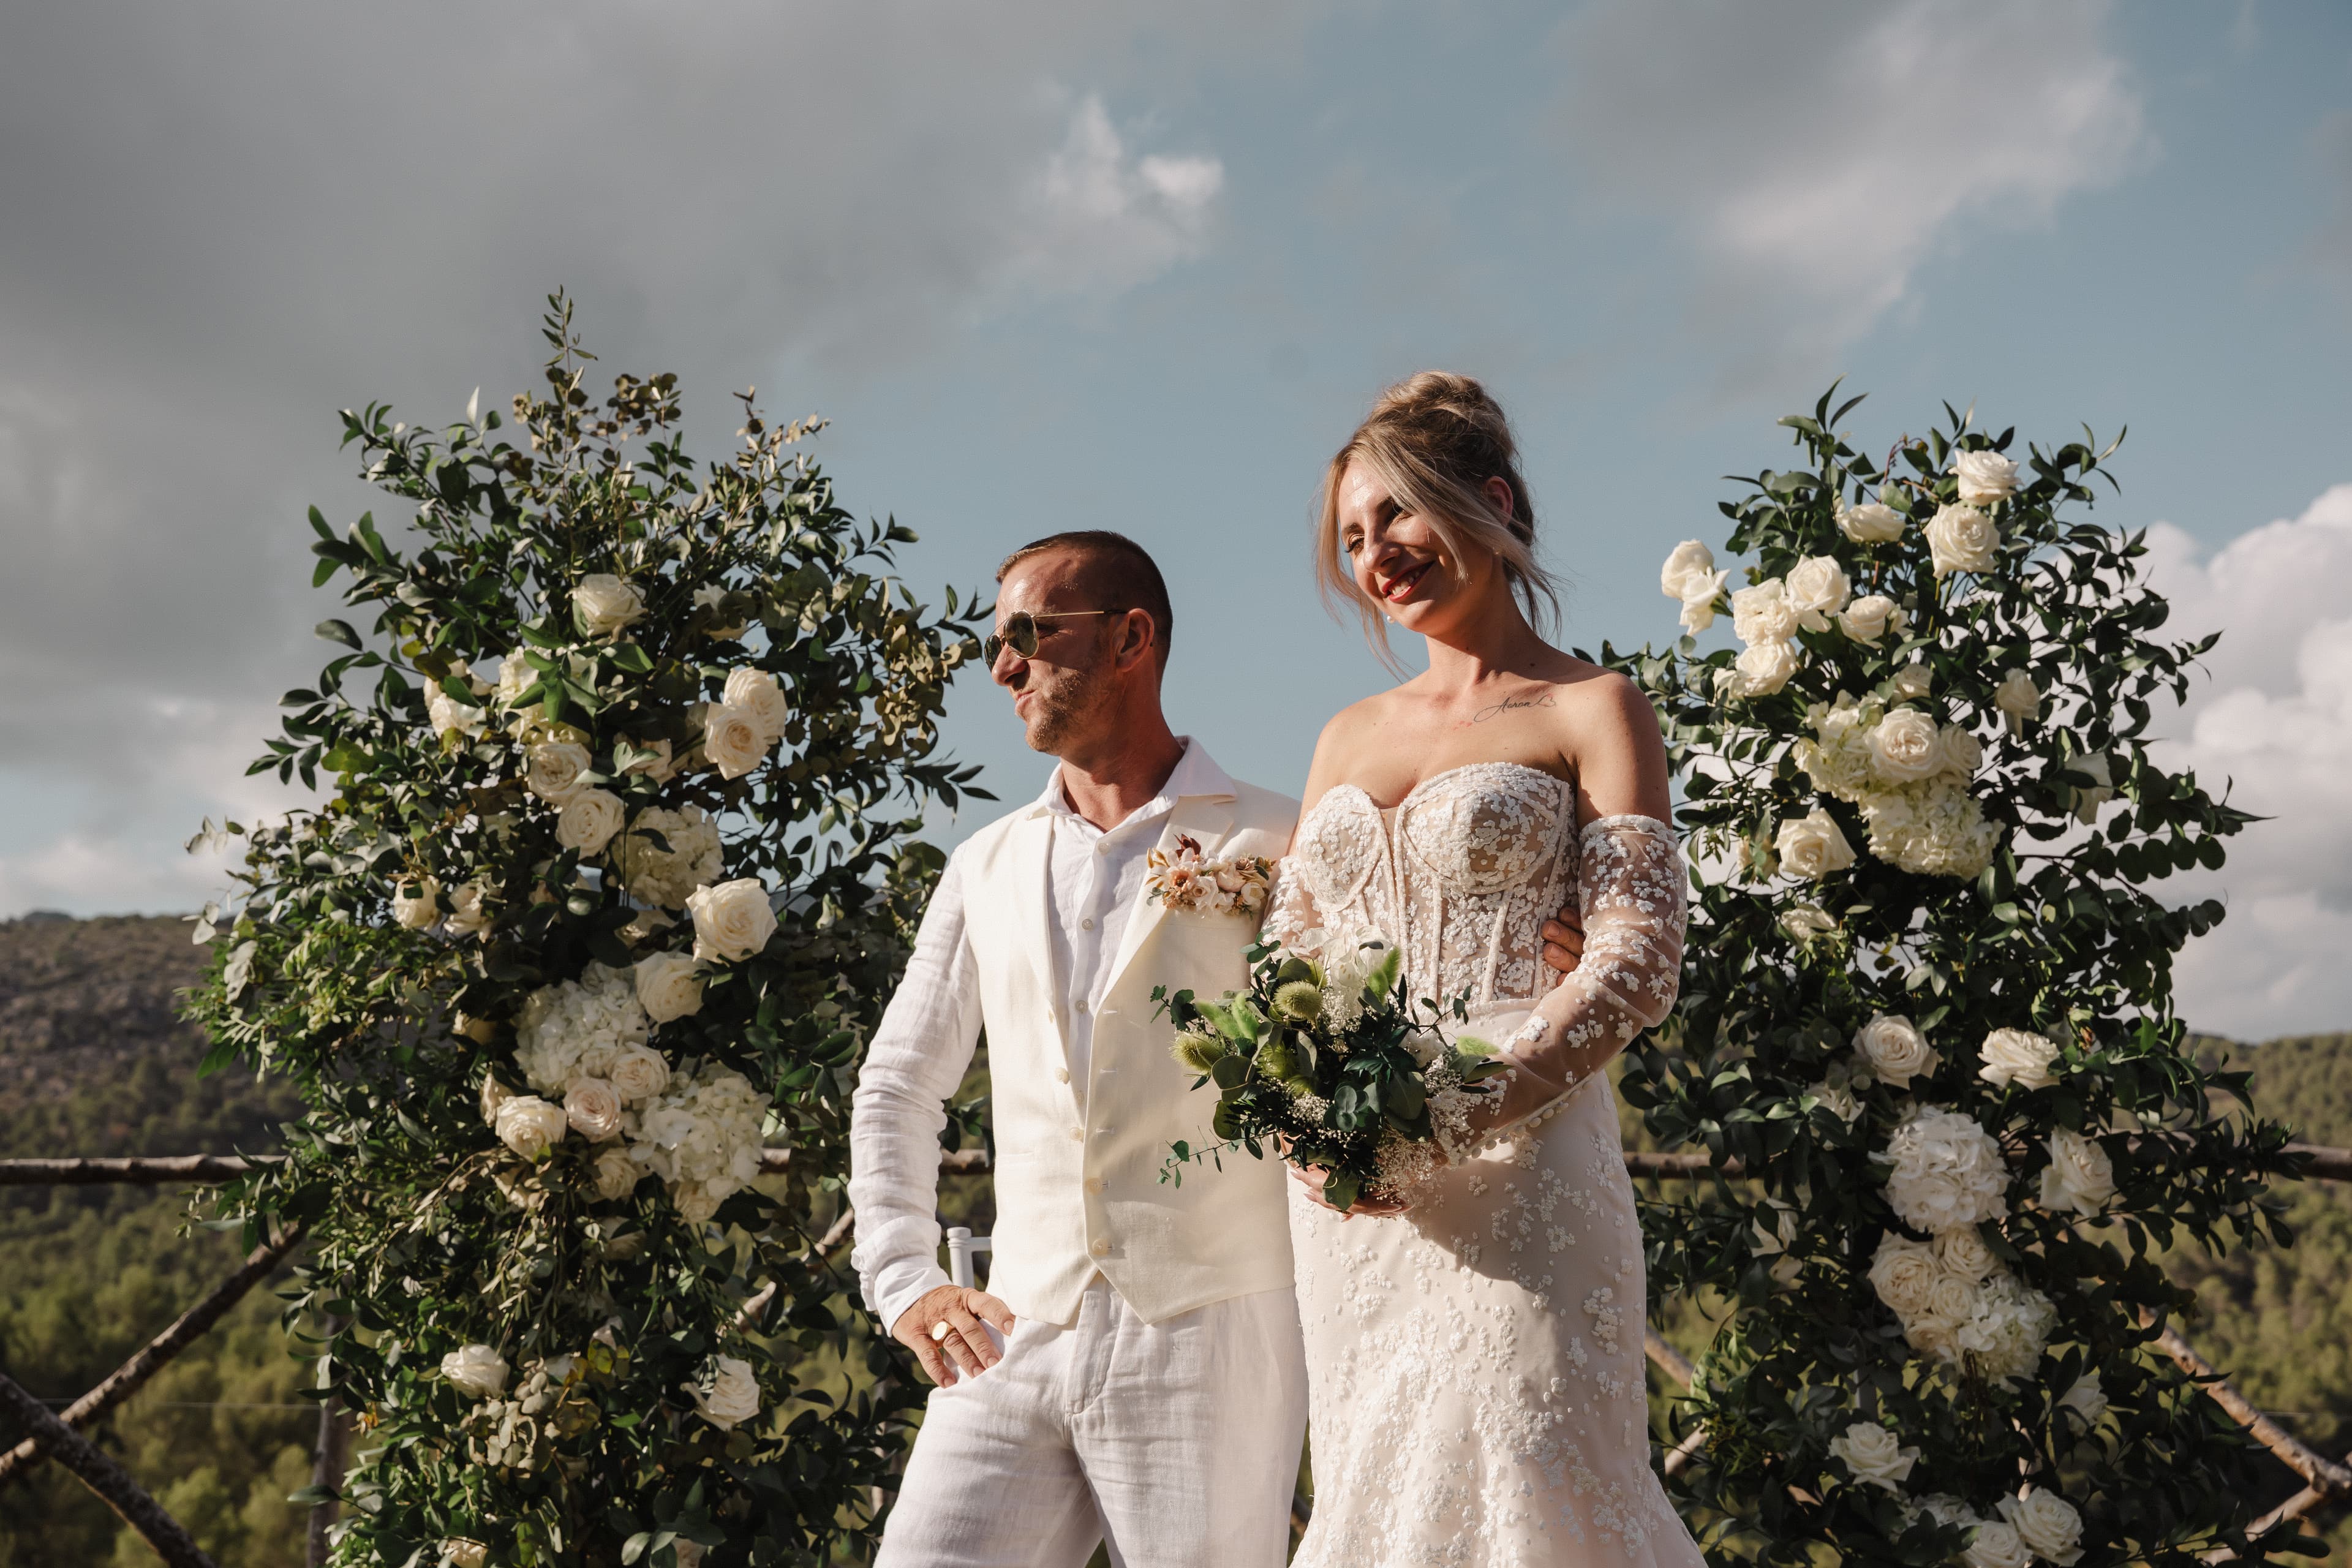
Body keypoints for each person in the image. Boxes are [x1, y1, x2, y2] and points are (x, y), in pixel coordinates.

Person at [1270, 372, 1706, 1567]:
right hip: (1357, 1208)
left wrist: (1451, 1112)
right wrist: (1309, 1130)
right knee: (1375, 1499)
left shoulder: (1594, 706)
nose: (1376, 555)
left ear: (1493, 503)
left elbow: (1635, 960)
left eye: (1397, 515)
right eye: (1352, 538)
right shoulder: (1344, 736)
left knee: (1529, 1482)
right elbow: (1286, 968)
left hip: (1528, 1167)